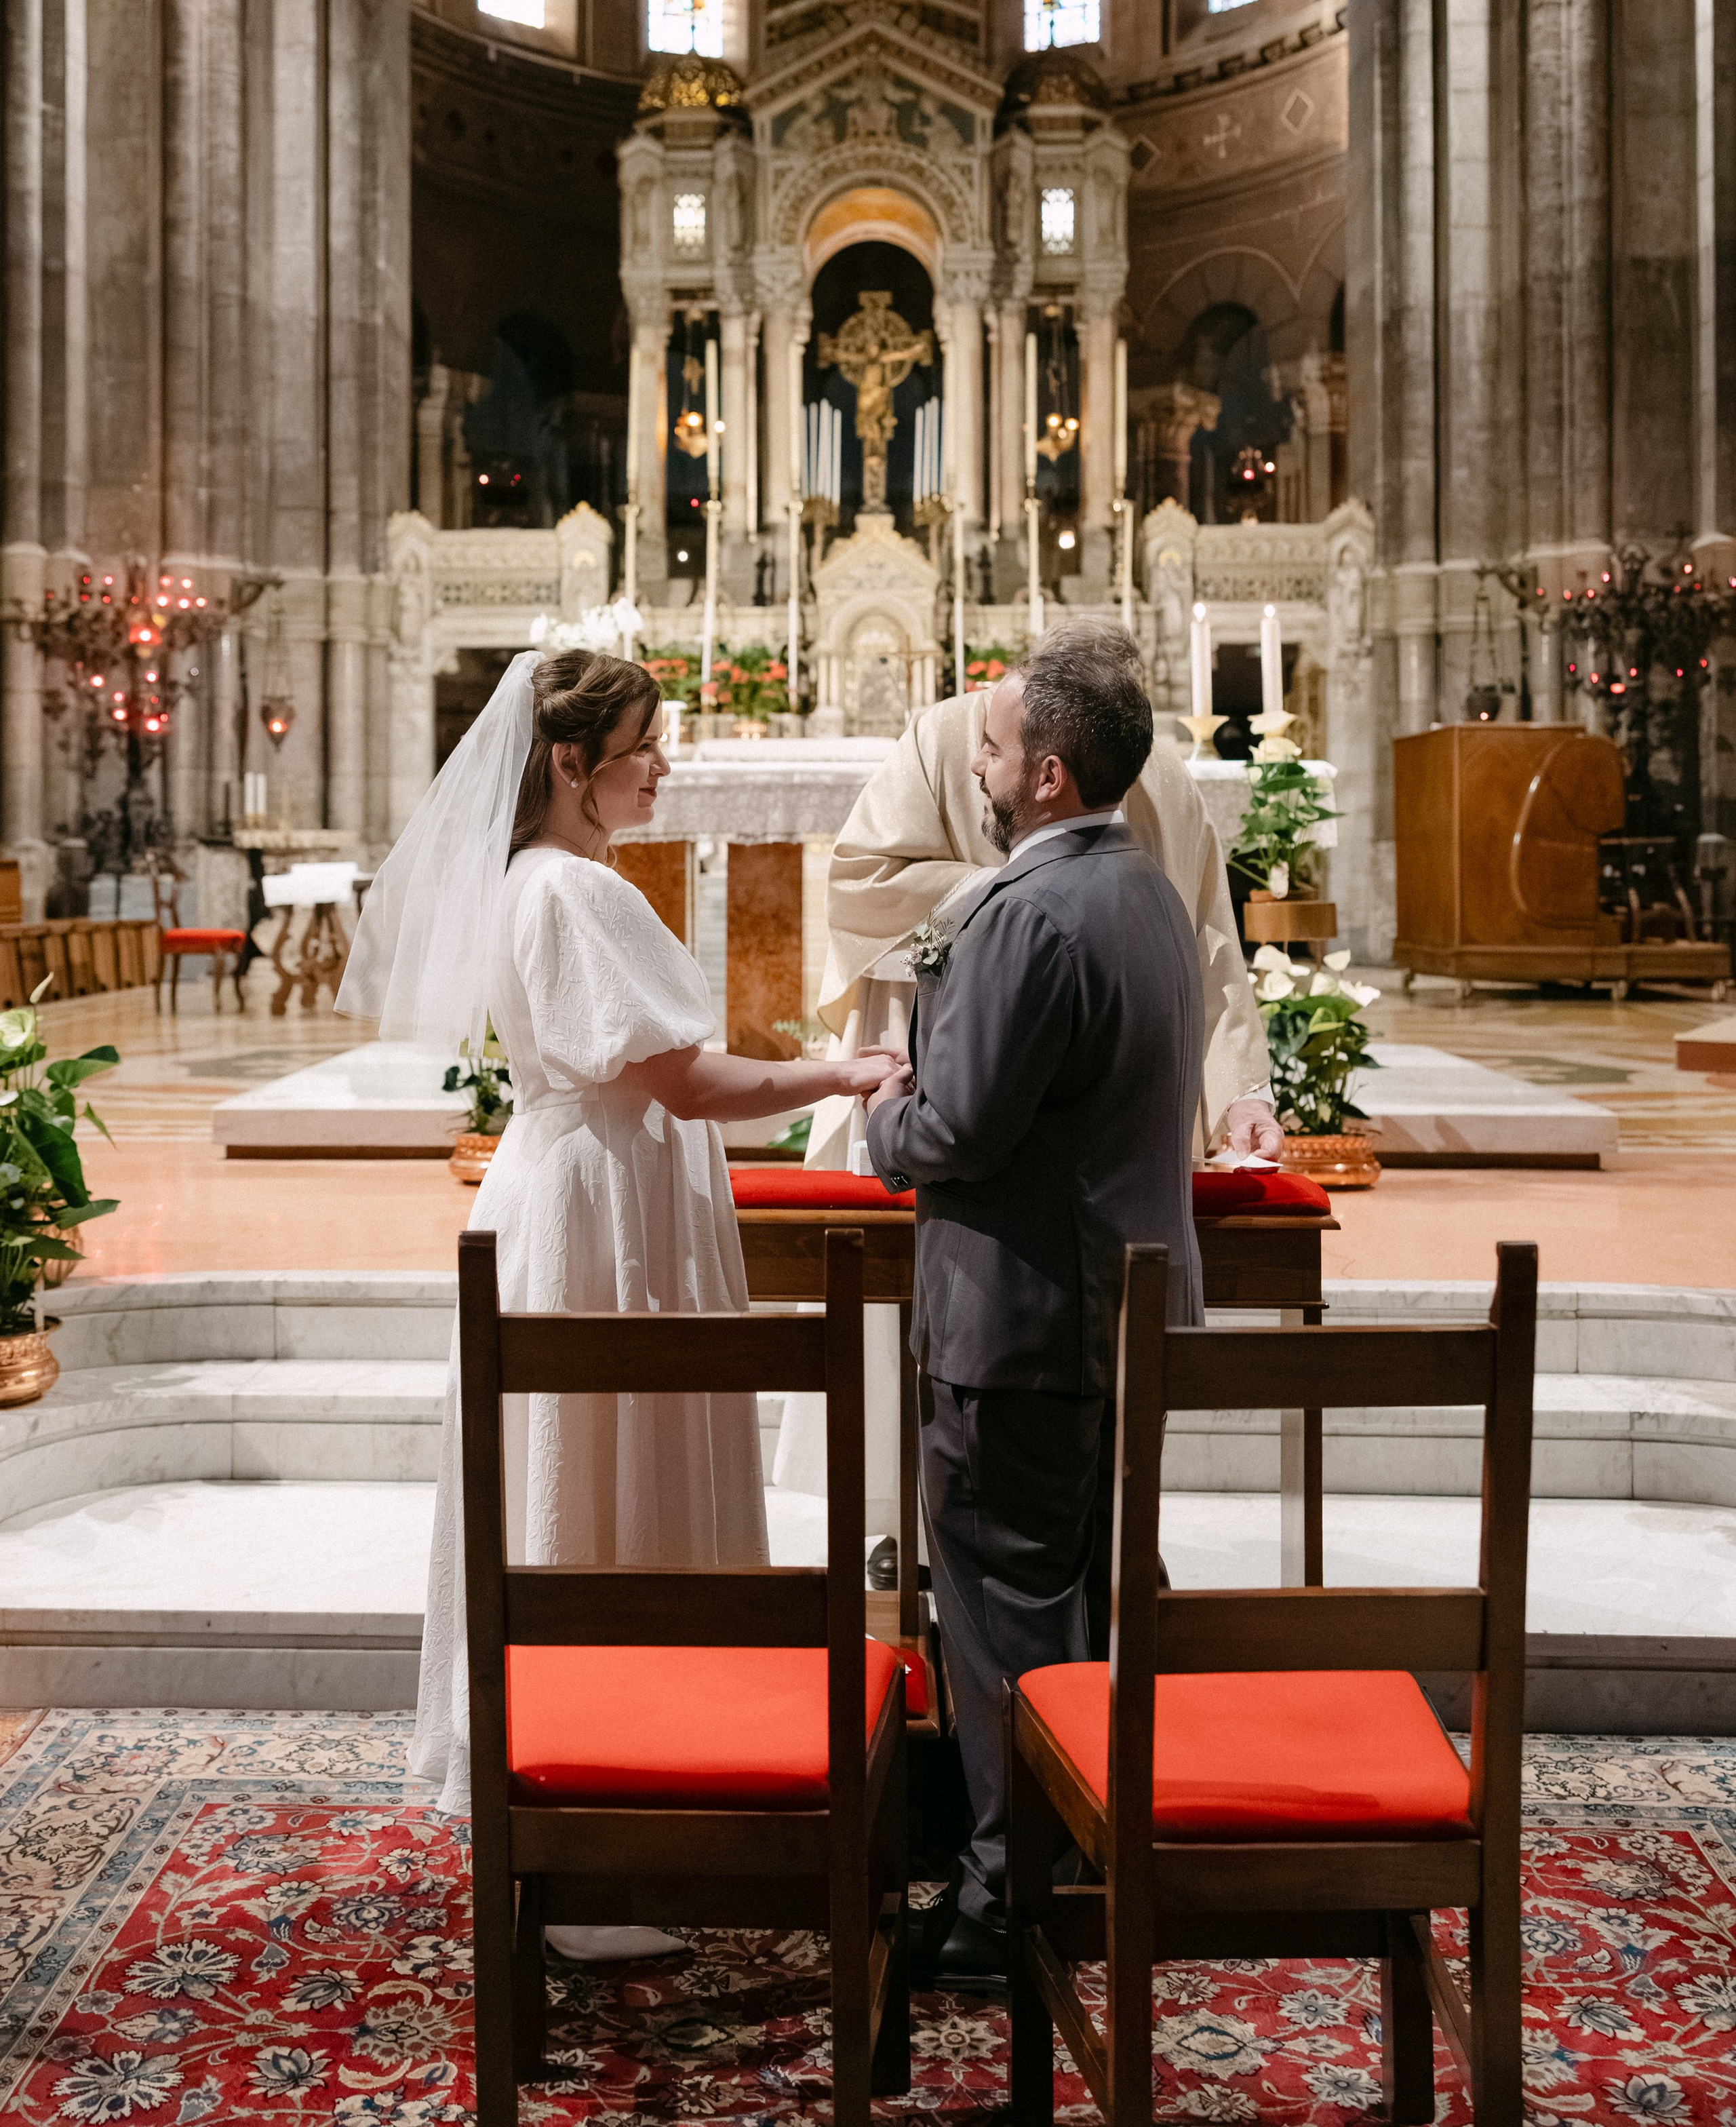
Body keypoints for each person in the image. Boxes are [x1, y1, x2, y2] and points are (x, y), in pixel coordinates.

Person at [338, 648, 903, 1944]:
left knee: (583, 1470)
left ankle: (604, 1784)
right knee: (608, 1469)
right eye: (646, 745)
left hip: (578, 1190)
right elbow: (688, 1085)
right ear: (569, 764)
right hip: (604, 1211)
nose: (667, 765)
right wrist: (844, 1075)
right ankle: (607, 1819)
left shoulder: (535, 881)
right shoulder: (572, 895)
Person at [865, 625, 1204, 1986]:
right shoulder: (1148, 896)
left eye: (995, 745)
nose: (980, 762)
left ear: (1049, 775)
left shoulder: (1027, 914)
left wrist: (889, 1118)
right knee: (1071, 1604)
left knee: (1003, 1612)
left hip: (1020, 1326)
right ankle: (1070, 1853)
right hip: (1118, 1312)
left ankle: (1006, 1898)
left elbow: (955, 1126)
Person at [808, 625, 1280, 1172]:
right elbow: (860, 882)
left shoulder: (1160, 772)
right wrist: (1011, 893)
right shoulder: (944, 736)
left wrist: (1242, 1094)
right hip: (943, 1054)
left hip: (1107, 1094)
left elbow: (1209, 944)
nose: (979, 766)